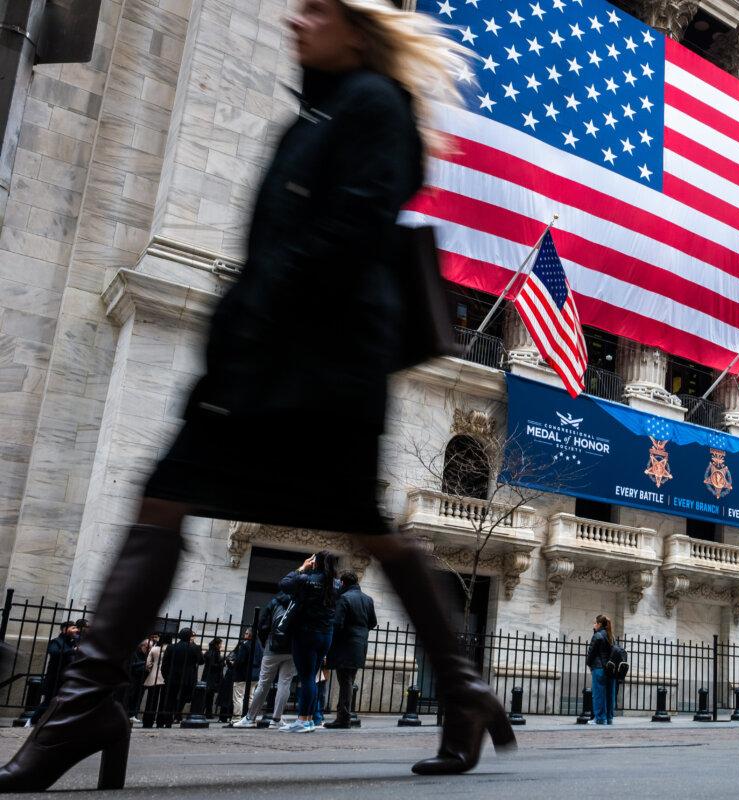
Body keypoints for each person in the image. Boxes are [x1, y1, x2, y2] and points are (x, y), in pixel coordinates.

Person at [0, 0, 510, 789]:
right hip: (275, 353)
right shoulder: (322, 111)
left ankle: (82, 709)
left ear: (356, 29)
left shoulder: (373, 105)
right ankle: (86, 707)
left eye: (315, 11)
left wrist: (257, 314)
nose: (293, 21)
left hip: (314, 366)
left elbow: (348, 233)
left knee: (283, 515)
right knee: (185, 501)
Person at [277, 552, 339, 733]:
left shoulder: (306, 579)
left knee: (306, 678)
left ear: (315, 562)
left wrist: (302, 568)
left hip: (306, 633)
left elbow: (284, 584)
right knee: (312, 677)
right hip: (326, 635)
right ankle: (309, 719)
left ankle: (302, 720)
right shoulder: (336, 584)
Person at [231, 592, 297, 728]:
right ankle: (277, 719)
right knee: (285, 683)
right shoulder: (298, 602)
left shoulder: (275, 602)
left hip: (272, 647)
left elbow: (262, 625)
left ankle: (250, 718)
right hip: (292, 648)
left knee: (263, 684)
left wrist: (265, 641)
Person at [324, 572, 377, 728]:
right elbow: (373, 622)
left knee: (345, 682)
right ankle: (343, 716)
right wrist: (360, 633)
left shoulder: (344, 598)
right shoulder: (368, 599)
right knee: (348, 681)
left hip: (345, 645)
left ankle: (343, 718)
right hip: (360, 645)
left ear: (343, 583)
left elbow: (337, 624)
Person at [29, 622, 80, 725]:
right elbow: (54, 652)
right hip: (54, 678)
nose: (76, 630)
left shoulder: (73, 642)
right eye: (73, 628)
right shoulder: (56, 641)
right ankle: (32, 721)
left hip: (67, 678)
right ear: (65, 629)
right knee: (48, 701)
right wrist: (72, 651)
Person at [160, 629, 202, 726]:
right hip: (188, 679)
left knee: (170, 698)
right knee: (183, 698)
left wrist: (166, 676)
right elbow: (201, 661)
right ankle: (177, 715)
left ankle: (168, 721)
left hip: (172, 677)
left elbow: (165, 664)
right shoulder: (194, 648)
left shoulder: (171, 647)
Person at [227, 627, 263, 721]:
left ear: (250, 635)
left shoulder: (245, 644)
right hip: (255, 676)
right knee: (250, 697)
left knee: (238, 697)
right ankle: (249, 718)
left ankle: (236, 718)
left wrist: (233, 663)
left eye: (246, 633)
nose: (245, 635)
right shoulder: (259, 645)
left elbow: (240, 660)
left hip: (242, 675)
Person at [586, 615, 615, 726]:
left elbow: (591, 653)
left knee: (598, 694)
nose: (594, 625)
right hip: (610, 669)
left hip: (599, 668)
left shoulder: (597, 636)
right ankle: (609, 718)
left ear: (599, 624)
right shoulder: (611, 636)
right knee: (609, 695)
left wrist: (589, 664)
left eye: (595, 623)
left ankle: (599, 719)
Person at [141, 633, 171, 728]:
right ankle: (160, 721)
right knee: (163, 700)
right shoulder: (170, 649)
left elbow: (148, 664)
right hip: (166, 676)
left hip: (154, 675)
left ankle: (147, 721)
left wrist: (152, 668)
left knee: (151, 699)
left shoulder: (154, 649)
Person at [123, 637, 156, 721]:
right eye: (147, 647)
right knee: (131, 697)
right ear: (142, 646)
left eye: (150, 648)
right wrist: (145, 663)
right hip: (134, 679)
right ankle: (128, 714)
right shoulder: (134, 653)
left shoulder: (147, 655)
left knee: (138, 697)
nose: (149, 649)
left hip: (142, 679)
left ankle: (134, 714)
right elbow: (131, 665)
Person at [200, 638, 224, 718]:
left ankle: (207, 713)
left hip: (208, 676)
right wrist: (222, 663)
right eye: (220, 644)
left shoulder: (210, 652)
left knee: (208, 696)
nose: (221, 646)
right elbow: (213, 665)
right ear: (216, 645)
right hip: (211, 677)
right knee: (208, 696)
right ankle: (205, 713)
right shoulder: (214, 652)